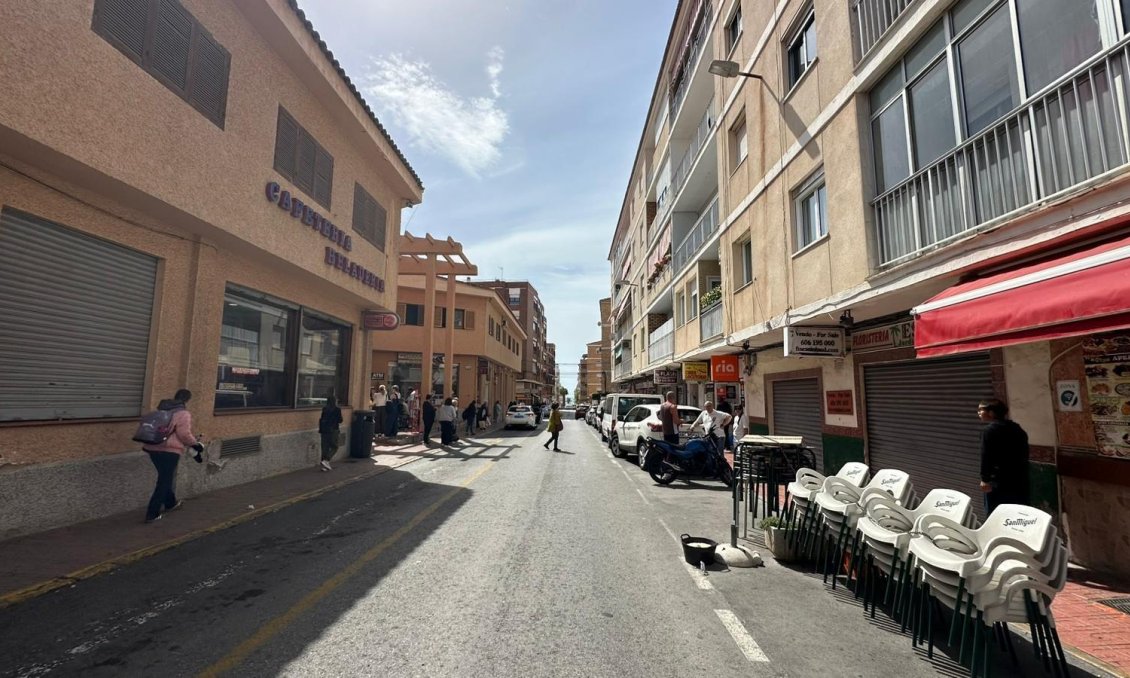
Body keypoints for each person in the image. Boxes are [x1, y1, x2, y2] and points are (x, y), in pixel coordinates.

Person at [141, 389, 204, 523]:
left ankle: (170, 503)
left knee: (165, 477)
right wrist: (195, 444)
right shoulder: (183, 414)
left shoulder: (161, 410)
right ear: (187, 400)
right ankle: (152, 513)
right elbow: (184, 434)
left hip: (152, 447)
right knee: (164, 480)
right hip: (169, 450)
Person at [978, 398, 1030, 514]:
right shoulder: (1017, 429)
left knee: (996, 515)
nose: (978, 413)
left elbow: (986, 456)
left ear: (991, 412)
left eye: (981, 410)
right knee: (1018, 513)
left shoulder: (989, 431)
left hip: (998, 482)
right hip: (1019, 480)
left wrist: (985, 479)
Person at [318, 394, 343, 471]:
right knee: (334, 446)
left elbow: (322, 419)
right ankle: (326, 460)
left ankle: (324, 465)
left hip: (324, 430)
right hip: (333, 430)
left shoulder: (324, 409)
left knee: (324, 447)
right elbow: (340, 420)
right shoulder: (337, 409)